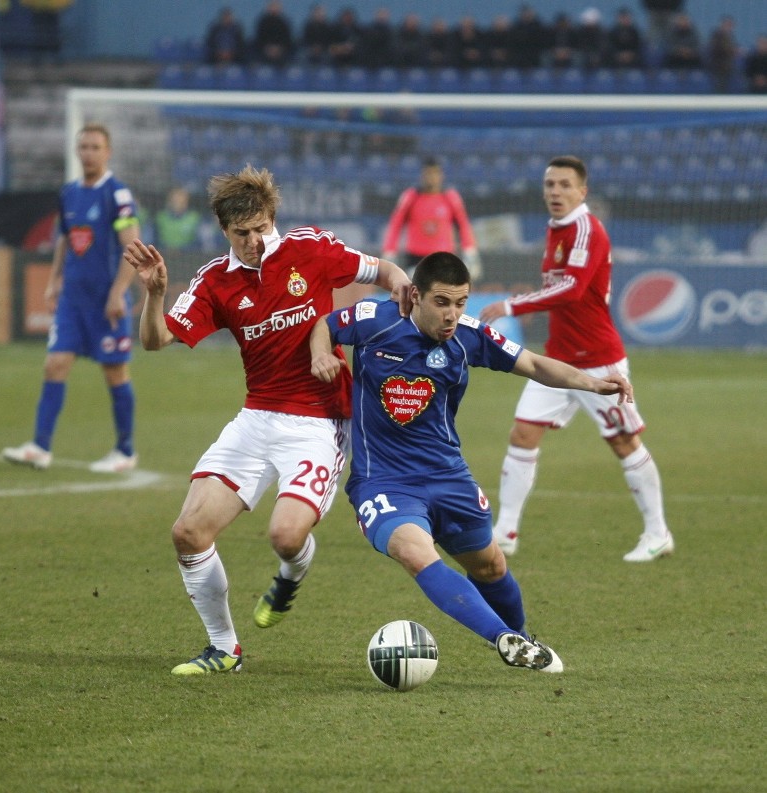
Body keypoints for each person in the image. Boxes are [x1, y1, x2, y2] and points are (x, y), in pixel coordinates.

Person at [122, 164, 411, 676]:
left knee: (285, 536)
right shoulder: (215, 281)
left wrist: (402, 288)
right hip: (257, 417)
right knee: (188, 532)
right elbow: (155, 340)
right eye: (243, 234)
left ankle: (291, 572)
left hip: (320, 421)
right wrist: (155, 293)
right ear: (224, 232)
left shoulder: (308, 248)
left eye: (262, 228)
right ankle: (224, 648)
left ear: (273, 218)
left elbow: (382, 269)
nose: (256, 241)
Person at [310, 252, 634, 673]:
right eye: (442, 302)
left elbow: (533, 364)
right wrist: (321, 353)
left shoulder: (469, 335)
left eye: (461, 303)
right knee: (414, 551)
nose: (452, 314)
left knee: (490, 565)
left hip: (448, 477)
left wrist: (593, 383)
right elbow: (325, 324)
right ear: (415, 295)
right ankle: (501, 638)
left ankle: (521, 641)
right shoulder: (376, 319)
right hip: (383, 481)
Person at [480, 155, 673, 563]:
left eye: (565, 185)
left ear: (582, 191)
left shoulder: (587, 229)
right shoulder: (556, 229)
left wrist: (510, 305)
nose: (555, 192)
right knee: (523, 434)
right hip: (559, 361)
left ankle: (658, 533)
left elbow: (571, 289)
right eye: (550, 185)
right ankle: (506, 532)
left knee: (624, 442)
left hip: (599, 360)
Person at [3, 123, 140, 473]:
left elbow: (132, 247)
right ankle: (40, 447)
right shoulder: (68, 194)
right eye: (83, 147)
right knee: (55, 364)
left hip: (105, 303)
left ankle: (125, 451)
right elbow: (65, 239)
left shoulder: (117, 195)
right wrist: (54, 281)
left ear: (107, 152)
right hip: (73, 302)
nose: (88, 153)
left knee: (115, 372)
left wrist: (117, 292)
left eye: (95, 147)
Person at [382, 157, 481, 281]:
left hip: (443, 257)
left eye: (435, 173)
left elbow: (463, 225)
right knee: (417, 295)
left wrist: (470, 251)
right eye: (428, 173)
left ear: (441, 176)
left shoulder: (450, 198)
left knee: (443, 294)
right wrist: (389, 250)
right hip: (416, 257)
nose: (432, 177)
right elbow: (395, 224)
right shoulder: (410, 197)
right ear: (422, 175)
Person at [154, 186, 201, 251]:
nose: (178, 203)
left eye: (181, 201)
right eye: (175, 200)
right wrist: (165, 248)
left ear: (186, 202)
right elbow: (155, 239)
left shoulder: (194, 218)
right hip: (164, 253)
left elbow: (198, 242)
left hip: (188, 255)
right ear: (169, 201)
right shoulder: (160, 217)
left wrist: (181, 250)